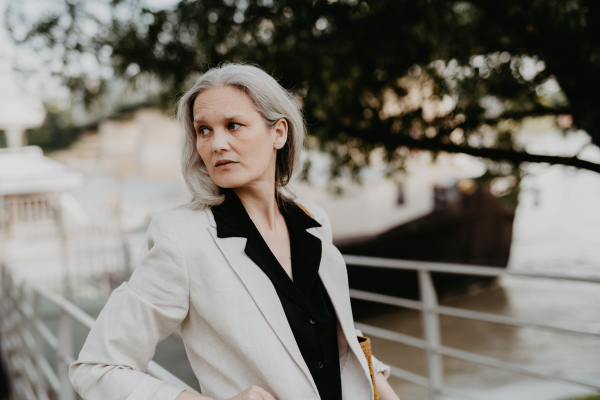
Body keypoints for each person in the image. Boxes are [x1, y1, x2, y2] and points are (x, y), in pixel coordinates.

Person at [70, 63, 401, 400]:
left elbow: (339, 342)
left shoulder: (313, 221)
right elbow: (98, 369)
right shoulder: (182, 239)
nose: (217, 144)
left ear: (279, 133)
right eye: (204, 130)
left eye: (233, 125)